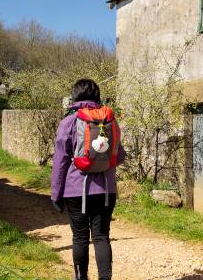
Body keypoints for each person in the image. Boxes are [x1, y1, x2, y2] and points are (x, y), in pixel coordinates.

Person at [51, 79, 125, 280]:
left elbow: (60, 161)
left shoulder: (69, 122)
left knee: (80, 238)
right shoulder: (110, 122)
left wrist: (56, 195)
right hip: (106, 191)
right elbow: (119, 157)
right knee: (102, 237)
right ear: (97, 96)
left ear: (75, 96)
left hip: (76, 191)